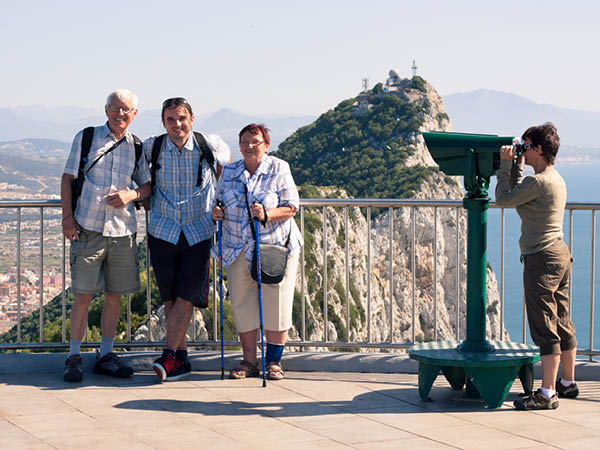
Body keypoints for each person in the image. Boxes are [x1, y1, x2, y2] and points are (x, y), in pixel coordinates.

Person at [61, 89, 151, 382]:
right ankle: (73, 356)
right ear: (106, 110)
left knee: (115, 297)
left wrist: (132, 194)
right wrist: (67, 217)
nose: (120, 114)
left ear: (134, 114)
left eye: (126, 110)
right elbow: (68, 178)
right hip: (87, 226)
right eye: (115, 108)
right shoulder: (87, 138)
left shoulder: (137, 147)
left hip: (122, 230)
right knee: (83, 295)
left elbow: (147, 187)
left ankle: (105, 354)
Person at [146, 97, 230, 381]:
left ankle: (168, 354)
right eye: (171, 119)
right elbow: (141, 181)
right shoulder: (152, 147)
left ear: (191, 119)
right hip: (162, 229)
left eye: (182, 118)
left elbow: (226, 179)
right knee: (170, 297)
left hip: (198, 229)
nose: (177, 124)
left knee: (185, 295)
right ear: (163, 122)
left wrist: (222, 206)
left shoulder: (211, 145)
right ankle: (180, 361)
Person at [495, 122, 578, 410]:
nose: (523, 152)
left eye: (526, 147)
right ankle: (568, 383)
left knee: (544, 326)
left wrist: (506, 165)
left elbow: (504, 199)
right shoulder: (556, 178)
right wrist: (517, 163)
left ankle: (547, 392)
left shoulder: (539, 182)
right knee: (563, 321)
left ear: (539, 149)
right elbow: (518, 194)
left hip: (541, 258)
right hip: (560, 254)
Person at [211, 123, 303, 380]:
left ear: (266, 145)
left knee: (277, 303)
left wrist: (268, 214)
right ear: (238, 145)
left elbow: (291, 206)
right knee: (242, 304)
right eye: (244, 142)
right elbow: (218, 200)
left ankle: (273, 362)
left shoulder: (279, 168)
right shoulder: (229, 171)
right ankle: (249, 360)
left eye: (255, 141)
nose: (249, 146)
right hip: (236, 247)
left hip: (274, 247)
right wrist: (216, 212)